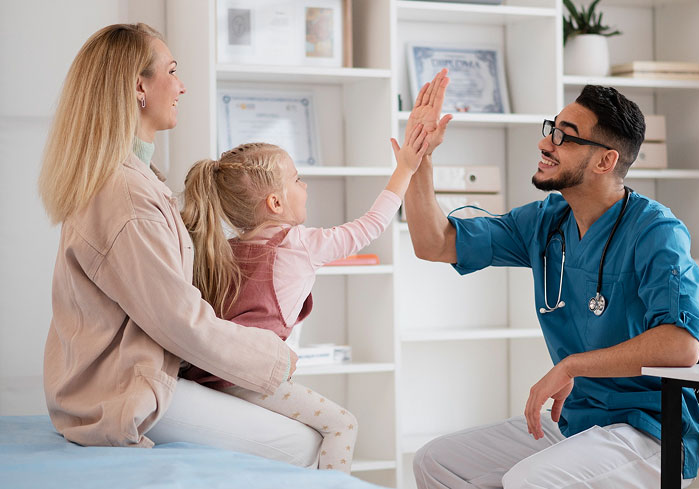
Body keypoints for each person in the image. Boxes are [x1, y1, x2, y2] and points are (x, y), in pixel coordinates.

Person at [403, 69, 699, 488]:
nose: (545, 143)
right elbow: (434, 243)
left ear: (606, 160)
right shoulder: (546, 222)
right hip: (580, 420)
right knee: (436, 461)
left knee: (531, 480)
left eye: (565, 136)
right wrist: (419, 158)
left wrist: (572, 366)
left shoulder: (656, 231)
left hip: (651, 431)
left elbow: (682, 345)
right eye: (552, 129)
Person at [38, 23, 320, 466]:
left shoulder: (133, 181)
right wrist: (272, 359)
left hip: (116, 379)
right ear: (139, 86)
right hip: (122, 393)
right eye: (172, 71)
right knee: (306, 444)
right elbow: (179, 320)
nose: (182, 86)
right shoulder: (126, 195)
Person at [178, 125, 429, 472]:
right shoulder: (301, 245)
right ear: (275, 203)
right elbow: (371, 226)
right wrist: (405, 170)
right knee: (344, 425)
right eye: (297, 179)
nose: (305, 185)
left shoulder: (220, 250)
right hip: (251, 379)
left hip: (207, 375)